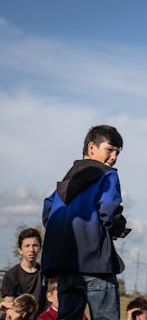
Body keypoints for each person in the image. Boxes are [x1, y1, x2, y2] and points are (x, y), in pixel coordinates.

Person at [41, 125, 128, 320]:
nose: (114, 157)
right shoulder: (108, 175)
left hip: (65, 264)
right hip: (95, 263)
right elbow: (109, 209)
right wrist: (118, 228)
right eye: (110, 150)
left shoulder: (68, 179)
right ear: (91, 148)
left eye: (117, 153)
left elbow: (48, 210)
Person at [1, 228, 45, 320]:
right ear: (20, 250)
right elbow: (9, 308)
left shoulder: (46, 274)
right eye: (27, 246)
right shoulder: (11, 276)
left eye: (35, 245)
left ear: (40, 248)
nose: (31, 249)